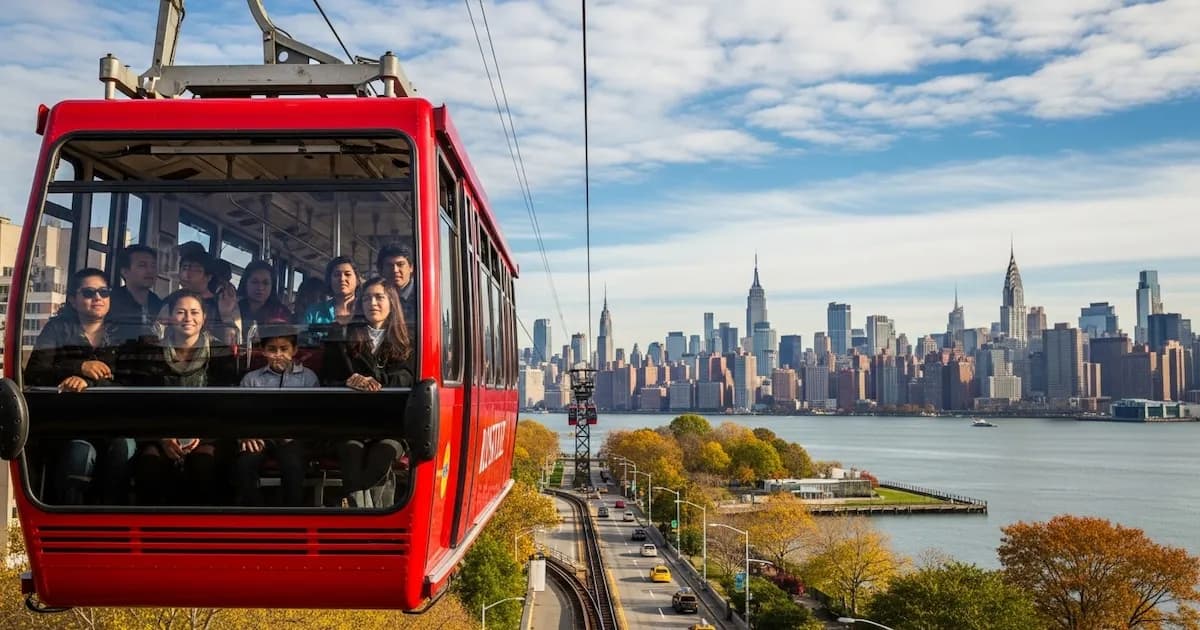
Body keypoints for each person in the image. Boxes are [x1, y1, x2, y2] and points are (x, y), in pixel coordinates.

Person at [25, 268, 135, 505]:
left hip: (115, 421)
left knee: (122, 450)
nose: (97, 298)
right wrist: (79, 367)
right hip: (72, 422)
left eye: (104, 292)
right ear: (73, 300)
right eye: (88, 293)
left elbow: (132, 378)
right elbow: (35, 372)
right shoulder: (57, 329)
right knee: (79, 455)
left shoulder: (125, 333)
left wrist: (90, 382)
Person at [124, 290, 240, 505]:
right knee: (149, 466)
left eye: (194, 312)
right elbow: (145, 403)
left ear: (204, 317)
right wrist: (163, 437)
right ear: (170, 317)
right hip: (160, 432)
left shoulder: (220, 353)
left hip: (208, 432)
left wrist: (200, 434)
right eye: (180, 312)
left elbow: (224, 403)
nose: (188, 318)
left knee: (203, 465)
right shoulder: (152, 352)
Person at [321, 277, 413, 507]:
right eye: (366, 298)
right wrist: (349, 382)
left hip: (391, 425)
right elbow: (327, 380)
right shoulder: (342, 337)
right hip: (351, 423)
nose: (372, 303)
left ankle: (370, 511)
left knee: (383, 453)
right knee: (351, 452)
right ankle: (363, 512)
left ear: (392, 302)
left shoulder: (407, 341)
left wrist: (373, 382)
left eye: (379, 297)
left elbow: (406, 378)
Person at [234, 322, 316, 507]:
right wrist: (246, 435)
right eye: (272, 349)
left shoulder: (308, 378)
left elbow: (312, 414)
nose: (278, 354)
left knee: (293, 465)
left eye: (284, 349)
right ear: (263, 351)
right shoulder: (252, 379)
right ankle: (256, 513)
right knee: (244, 464)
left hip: (292, 438)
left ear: (294, 350)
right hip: (259, 436)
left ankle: (291, 514)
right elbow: (240, 414)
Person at [161, 243, 242, 346]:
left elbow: (235, 344)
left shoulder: (225, 302)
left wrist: (226, 317)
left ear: (208, 277)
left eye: (196, 270)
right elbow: (158, 334)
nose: (187, 275)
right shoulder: (170, 301)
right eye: (184, 268)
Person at [109, 245, 163, 343]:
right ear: (125, 272)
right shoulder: (110, 303)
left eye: (153, 266)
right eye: (142, 265)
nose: (150, 271)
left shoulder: (159, 304)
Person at [237, 260, 292, 328]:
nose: (260, 287)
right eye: (255, 282)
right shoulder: (234, 308)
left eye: (265, 283)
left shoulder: (281, 313)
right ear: (245, 283)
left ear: (272, 286)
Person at [376, 243, 415, 332]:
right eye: (389, 265)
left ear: (411, 267)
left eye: (400, 264)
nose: (395, 270)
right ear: (381, 270)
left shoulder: (423, 297)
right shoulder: (372, 296)